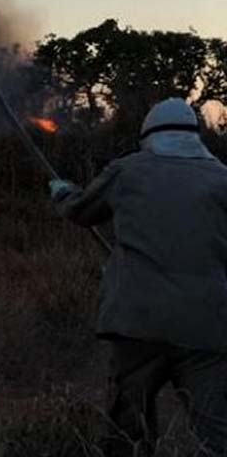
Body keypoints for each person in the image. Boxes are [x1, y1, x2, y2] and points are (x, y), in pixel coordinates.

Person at [50, 98, 227, 455]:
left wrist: (62, 192)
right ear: (196, 136)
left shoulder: (128, 171)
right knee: (216, 432)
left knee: (127, 430)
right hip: (207, 325)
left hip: (138, 322)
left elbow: (81, 211)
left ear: (149, 135)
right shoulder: (222, 178)